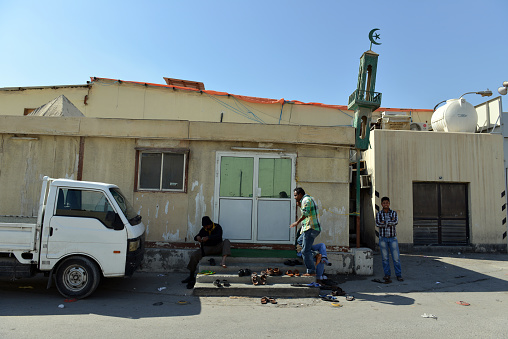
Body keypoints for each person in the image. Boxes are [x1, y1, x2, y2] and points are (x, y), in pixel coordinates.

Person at [181, 216, 231, 289]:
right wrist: (197, 237)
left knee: (226, 241)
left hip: (218, 247)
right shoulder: (204, 229)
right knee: (194, 255)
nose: (206, 228)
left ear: (210, 224)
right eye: (205, 226)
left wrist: (208, 238)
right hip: (207, 249)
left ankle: (223, 261)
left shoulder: (217, 227)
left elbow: (218, 236)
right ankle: (191, 276)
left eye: (207, 226)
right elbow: (196, 236)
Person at [290, 187, 321, 276]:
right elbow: (308, 212)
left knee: (305, 251)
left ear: (300, 195)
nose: (295, 197)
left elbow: (305, 214)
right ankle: (315, 254)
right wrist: (300, 205)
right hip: (310, 228)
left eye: (295, 195)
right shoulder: (309, 198)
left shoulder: (306, 200)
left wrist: (297, 222)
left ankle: (311, 271)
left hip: (311, 228)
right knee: (300, 241)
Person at [375, 196, 403, 282]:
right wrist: (389, 222)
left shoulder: (393, 213)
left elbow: (395, 222)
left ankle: (399, 275)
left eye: (387, 203)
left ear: (389, 203)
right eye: (384, 203)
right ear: (381, 204)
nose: (385, 204)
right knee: (385, 258)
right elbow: (377, 224)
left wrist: (384, 222)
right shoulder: (379, 214)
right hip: (383, 239)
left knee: (396, 258)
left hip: (392, 238)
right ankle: (387, 275)